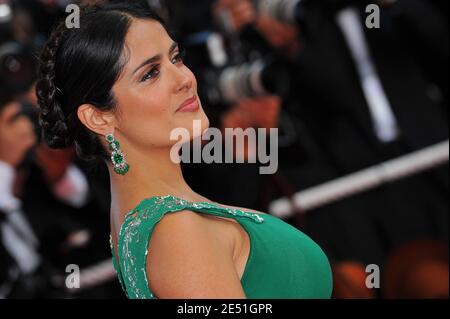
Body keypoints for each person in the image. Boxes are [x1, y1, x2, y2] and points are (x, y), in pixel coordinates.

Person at [35, 2, 332, 299]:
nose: (185, 79)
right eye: (150, 73)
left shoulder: (149, 220)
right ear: (99, 117)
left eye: (175, 58)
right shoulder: (175, 231)